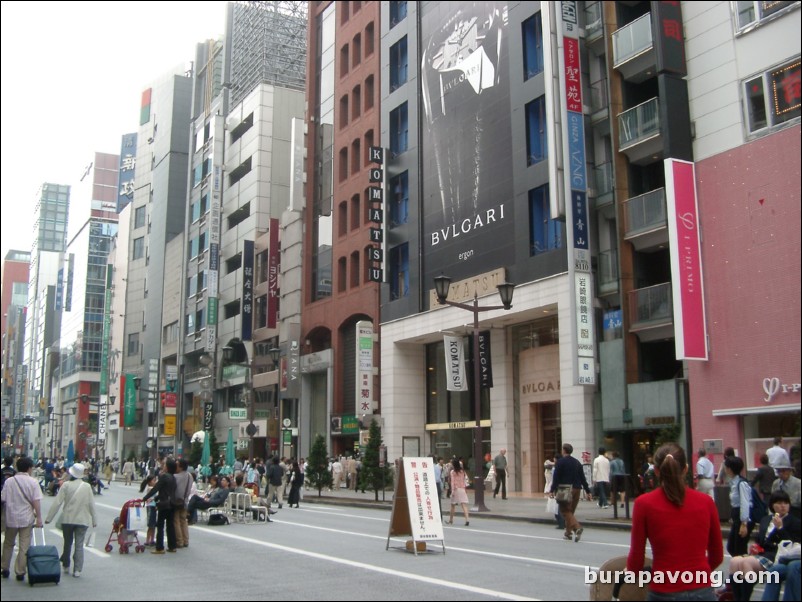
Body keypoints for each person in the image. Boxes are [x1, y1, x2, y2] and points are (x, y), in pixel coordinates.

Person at [627, 443, 723, 601]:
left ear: (657, 471)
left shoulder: (643, 504)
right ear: (685, 469)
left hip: (663, 589)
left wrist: (632, 572)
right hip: (702, 589)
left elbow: (636, 559)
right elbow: (717, 555)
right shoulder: (706, 502)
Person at [725, 490, 801, 601]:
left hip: (778, 555)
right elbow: (760, 540)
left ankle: (745, 598)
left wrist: (780, 528)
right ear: (772, 505)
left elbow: (792, 544)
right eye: (779, 503)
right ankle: (738, 598)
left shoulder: (794, 522)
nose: (783, 506)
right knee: (735, 561)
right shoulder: (766, 520)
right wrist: (755, 547)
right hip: (762, 553)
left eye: (786, 503)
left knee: (746, 563)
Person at [44, 462, 97, 578]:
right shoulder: (87, 486)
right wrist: (94, 519)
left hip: (68, 519)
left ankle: (66, 565)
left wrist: (49, 518)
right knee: (79, 545)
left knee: (67, 543)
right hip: (82, 520)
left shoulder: (66, 485)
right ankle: (77, 569)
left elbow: (57, 502)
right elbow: (91, 504)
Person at [0, 456, 43, 581]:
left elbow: (3, 498)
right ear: (29, 468)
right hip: (26, 518)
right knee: (24, 545)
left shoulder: (9, 481)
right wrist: (39, 517)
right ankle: (20, 572)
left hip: (11, 517)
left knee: (8, 543)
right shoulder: (33, 482)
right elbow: (36, 501)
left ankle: (4, 568)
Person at [549, 443, 592, 543]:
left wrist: (552, 490)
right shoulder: (577, 462)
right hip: (577, 488)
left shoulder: (560, 462)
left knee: (564, 510)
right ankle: (568, 534)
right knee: (570, 511)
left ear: (564, 450)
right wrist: (588, 491)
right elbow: (582, 478)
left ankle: (577, 527)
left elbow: (556, 478)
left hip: (565, 488)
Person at [142, 458, 177, 554]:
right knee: (170, 525)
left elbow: (156, 488)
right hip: (172, 504)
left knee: (160, 525)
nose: (163, 466)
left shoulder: (164, 476)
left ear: (168, 467)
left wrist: (145, 498)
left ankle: (159, 547)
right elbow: (168, 491)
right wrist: (156, 498)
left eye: (165, 465)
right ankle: (172, 546)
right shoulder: (173, 477)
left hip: (164, 504)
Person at [725, 456, 754, 558]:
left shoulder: (742, 483)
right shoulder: (734, 482)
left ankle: (744, 570)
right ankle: (740, 567)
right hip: (737, 518)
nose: (725, 469)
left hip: (743, 519)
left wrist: (744, 523)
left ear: (730, 469)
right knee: (732, 547)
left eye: (726, 467)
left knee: (739, 548)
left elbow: (745, 503)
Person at [173, 459, 192, 549]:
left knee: (176, 521)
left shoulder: (176, 476)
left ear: (180, 467)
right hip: (185, 501)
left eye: (177, 465)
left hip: (177, 501)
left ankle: (179, 541)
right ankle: (186, 540)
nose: (175, 466)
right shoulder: (189, 475)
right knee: (183, 521)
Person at [448, 458, 470, 526]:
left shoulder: (452, 472)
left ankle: (451, 520)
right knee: (464, 505)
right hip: (462, 488)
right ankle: (467, 520)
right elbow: (464, 480)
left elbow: (452, 482)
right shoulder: (462, 471)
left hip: (456, 489)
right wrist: (465, 488)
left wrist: (452, 491)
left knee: (453, 505)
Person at [139, 474, 158, 546]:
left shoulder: (152, 487)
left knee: (153, 525)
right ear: (149, 482)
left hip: (153, 507)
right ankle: (148, 540)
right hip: (150, 507)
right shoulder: (150, 488)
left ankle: (152, 540)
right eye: (154, 480)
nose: (155, 482)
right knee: (151, 525)